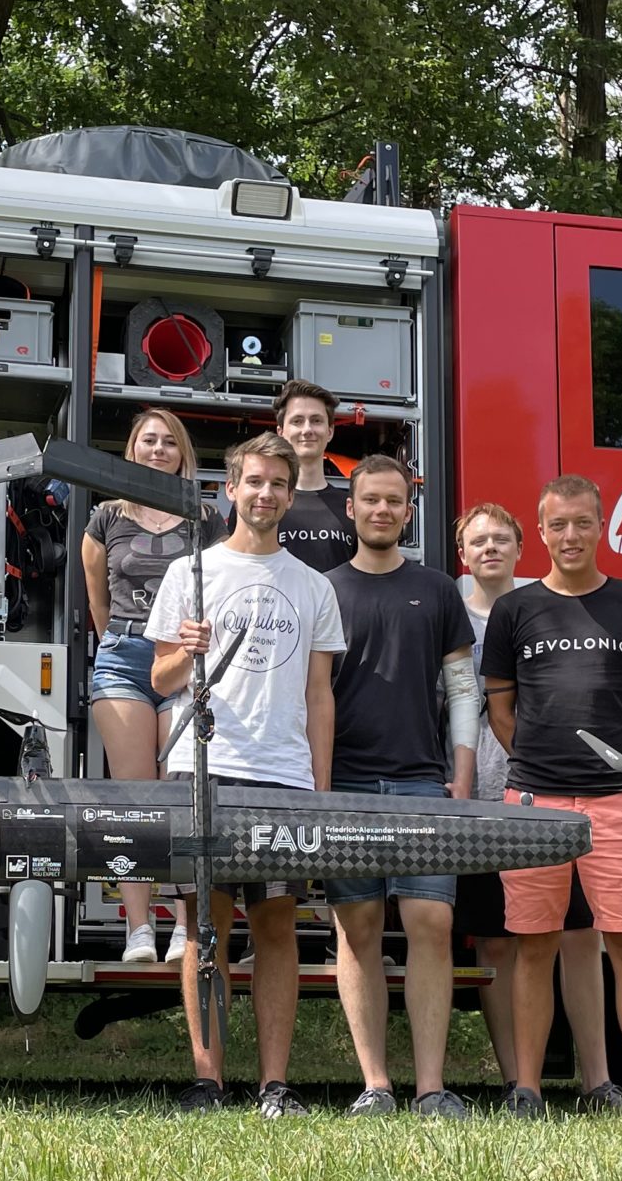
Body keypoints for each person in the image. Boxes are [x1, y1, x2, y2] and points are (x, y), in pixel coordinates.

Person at [147, 430, 346, 1116]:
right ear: (230, 489)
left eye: (278, 484)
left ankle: (274, 1084)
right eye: (254, 482)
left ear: (291, 496)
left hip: (282, 774)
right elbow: (160, 678)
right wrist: (189, 652)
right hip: (203, 768)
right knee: (204, 926)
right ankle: (208, 1080)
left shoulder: (314, 585)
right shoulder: (191, 573)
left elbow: (320, 694)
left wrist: (318, 786)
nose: (265, 494)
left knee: (276, 927)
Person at [482, 474, 622, 1125]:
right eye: (558, 525)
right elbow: (501, 709)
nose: (570, 536)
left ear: (602, 527)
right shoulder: (515, 610)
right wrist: (538, 766)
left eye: (582, 523)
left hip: (617, 802)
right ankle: (527, 1091)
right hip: (533, 801)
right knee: (533, 946)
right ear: (540, 532)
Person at [325, 457, 478, 1118]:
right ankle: (376, 1086)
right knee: (357, 927)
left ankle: (432, 1089)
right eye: (371, 500)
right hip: (346, 782)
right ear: (351, 508)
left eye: (394, 501)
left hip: (422, 780)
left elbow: (462, 687)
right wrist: (319, 785)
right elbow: (311, 695)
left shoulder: (437, 589)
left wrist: (462, 772)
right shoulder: (323, 589)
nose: (382, 510)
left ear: (408, 513)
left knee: (431, 922)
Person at [454, 504, 614, 1105]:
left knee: (579, 936)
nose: (490, 548)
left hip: (552, 798)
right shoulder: (449, 616)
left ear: (522, 548)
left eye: (501, 538)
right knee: (496, 943)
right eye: (478, 541)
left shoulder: (546, 610)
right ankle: (518, 1082)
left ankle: (598, 1080)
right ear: (462, 554)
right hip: (477, 800)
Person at [80, 406, 221, 963]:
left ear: (183, 453)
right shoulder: (106, 516)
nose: (158, 450)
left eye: (168, 442)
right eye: (148, 441)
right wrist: (121, 642)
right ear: (132, 449)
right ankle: (139, 928)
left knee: (180, 795)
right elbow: (96, 595)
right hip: (124, 657)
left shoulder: (205, 517)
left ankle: (185, 925)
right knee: (133, 798)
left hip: (183, 663)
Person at [267, 379, 356, 572]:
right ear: (281, 432)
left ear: (330, 431)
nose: (307, 430)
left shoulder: (352, 508)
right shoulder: (263, 503)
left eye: (316, 420)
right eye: (297, 421)